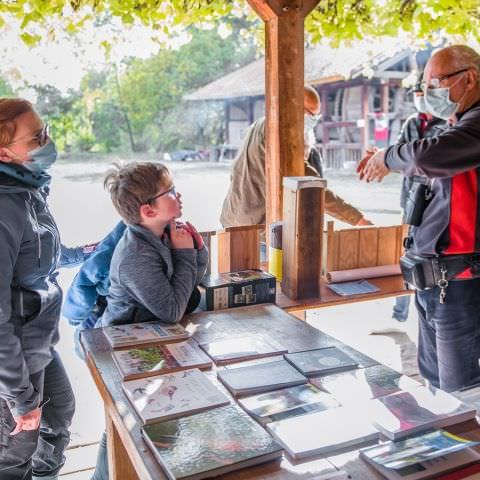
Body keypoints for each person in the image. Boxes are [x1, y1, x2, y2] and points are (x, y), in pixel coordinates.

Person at [357, 45, 480, 392]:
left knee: (462, 394)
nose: (429, 95)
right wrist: (387, 159)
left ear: (469, 78)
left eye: (436, 84)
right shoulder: (458, 124)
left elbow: (431, 156)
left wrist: (388, 157)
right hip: (432, 280)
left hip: (462, 284)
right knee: (436, 383)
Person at [0, 98, 75, 480]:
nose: (47, 142)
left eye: (45, 131)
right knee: (14, 456)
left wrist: (82, 253)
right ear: (4, 152)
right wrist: (18, 397)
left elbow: (36, 255)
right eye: (36, 137)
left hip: (40, 339)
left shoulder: (28, 188)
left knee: (59, 412)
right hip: (14, 355)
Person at [220, 85, 372, 230]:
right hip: (255, 227)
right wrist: (358, 219)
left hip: (233, 219)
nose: (312, 119)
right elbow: (312, 186)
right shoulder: (279, 132)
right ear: (291, 104)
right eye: (309, 114)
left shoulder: (260, 123)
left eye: (315, 116)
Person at [370, 76, 447, 335]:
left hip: (436, 203)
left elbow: (426, 160)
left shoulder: (450, 125)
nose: (421, 98)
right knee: (406, 256)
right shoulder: (412, 122)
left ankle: (429, 313)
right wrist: (389, 159)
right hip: (410, 200)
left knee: (431, 260)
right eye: (417, 93)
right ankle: (400, 314)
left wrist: (399, 160)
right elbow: (402, 153)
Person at [100, 162, 208, 327]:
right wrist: (185, 254)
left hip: (153, 325)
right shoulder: (135, 257)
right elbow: (172, 312)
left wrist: (198, 251)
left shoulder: (164, 233)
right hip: (123, 334)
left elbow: (185, 289)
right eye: (170, 191)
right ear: (149, 211)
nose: (178, 195)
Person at [62, 221, 126, 358]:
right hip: (102, 313)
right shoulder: (127, 231)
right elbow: (85, 281)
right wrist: (75, 316)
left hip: (120, 319)